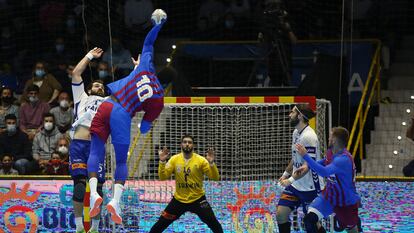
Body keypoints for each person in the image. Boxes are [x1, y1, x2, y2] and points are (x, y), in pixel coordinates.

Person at [87, 10, 166, 225]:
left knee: (95, 150)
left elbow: (148, 43)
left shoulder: (144, 67)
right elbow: (143, 128)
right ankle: (115, 201)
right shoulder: (159, 101)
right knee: (121, 160)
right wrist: (146, 120)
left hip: (108, 104)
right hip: (122, 114)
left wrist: (158, 26)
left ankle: (94, 193)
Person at [149, 135, 223, 233]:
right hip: (179, 200)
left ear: (193, 145)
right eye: (185, 142)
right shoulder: (174, 159)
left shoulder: (201, 160)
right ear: (181, 144)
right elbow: (163, 177)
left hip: (198, 200)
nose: (187, 144)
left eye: (189, 142)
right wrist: (162, 161)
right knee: (159, 225)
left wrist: (212, 163)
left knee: (214, 224)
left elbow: (215, 178)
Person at [70, 47, 108, 233]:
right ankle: (78, 227)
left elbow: (128, 92)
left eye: (101, 86)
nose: (99, 87)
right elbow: (76, 73)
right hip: (78, 145)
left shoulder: (109, 101)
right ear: (89, 89)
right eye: (96, 85)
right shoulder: (82, 98)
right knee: (79, 188)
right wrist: (89, 56)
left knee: (98, 191)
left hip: (97, 146)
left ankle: (94, 228)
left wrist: (136, 70)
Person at [296, 126, 361, 233]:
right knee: (309, 219)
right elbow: (324, 161)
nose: (328, 138)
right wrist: (307, 166)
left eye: (330, 136)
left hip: (345, 201)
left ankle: (356, 223)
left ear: (334, 140)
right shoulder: (331, 152)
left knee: (352, 229)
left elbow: (324, 172)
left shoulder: (343, 159)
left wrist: (306, 156)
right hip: (329, 196)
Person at [276, 104, 325, 233]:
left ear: (300, 116)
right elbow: (295, 157)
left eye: (292, 112)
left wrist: (290, 180)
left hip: (310, 187)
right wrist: (285, 174)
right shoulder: (296, 132)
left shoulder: (309, 137)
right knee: (281, 214)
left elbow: (308, 165)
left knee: (312, 224)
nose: (289, 115)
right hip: (296, 185)